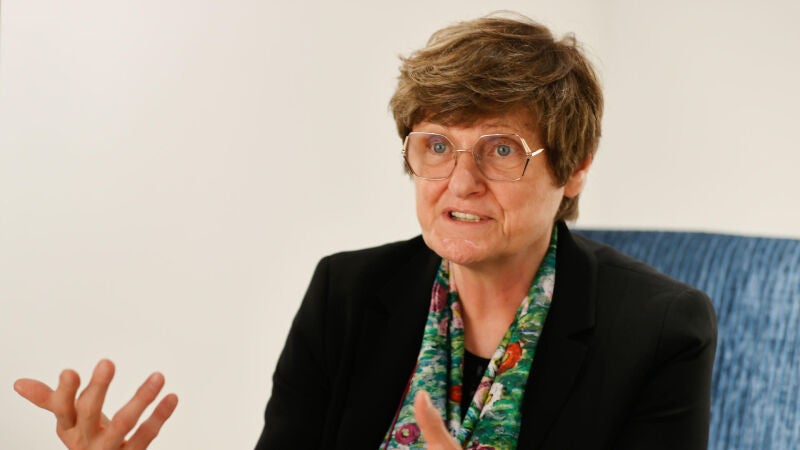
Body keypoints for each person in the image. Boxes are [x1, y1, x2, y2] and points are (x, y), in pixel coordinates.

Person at [14, 13, 717, 450]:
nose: (461, 182)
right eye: (437, 145)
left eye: (501, 149)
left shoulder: (659, 329)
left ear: (575, 169)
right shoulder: (347, 292)